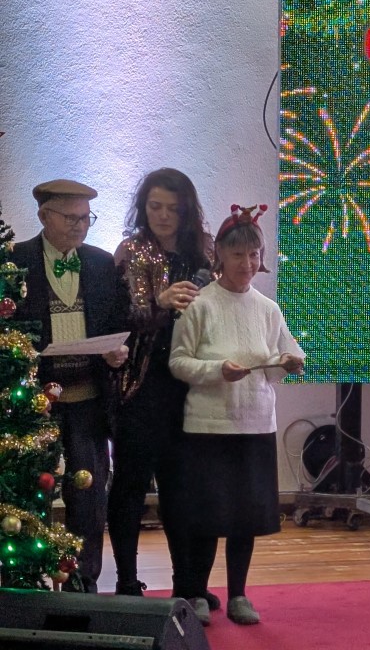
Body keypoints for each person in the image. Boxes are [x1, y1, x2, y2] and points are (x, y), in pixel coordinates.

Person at [169, 204, 304, 626]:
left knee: (245, 518)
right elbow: (178, 362)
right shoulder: (200, 304)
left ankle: (239, 595)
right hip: (208, 427)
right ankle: (196, 593)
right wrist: (217, 371)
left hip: (255, 425)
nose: (247, 264)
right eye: (238, 254)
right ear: (220, 257)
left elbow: (287, 354)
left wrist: (290, 363)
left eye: (254, 255)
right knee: (207, 517)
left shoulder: (268, 308)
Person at [11, 179, 130, 593]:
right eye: (71, 218)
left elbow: (117, 322)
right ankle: (30, 581)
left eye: (85, 218)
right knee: (33, 492)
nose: (80, 226)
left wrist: (116, 351)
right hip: (34, 403)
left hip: (88, 399)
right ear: (44, 216)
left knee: (89, 494)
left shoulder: (99, 263)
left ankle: (84, 583)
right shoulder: (16, 260)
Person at [108, 168, 216, 604]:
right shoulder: (130, 249)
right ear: (143, 207)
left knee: (182, 489)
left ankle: (187, 585)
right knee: (130, 485)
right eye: (155, 206)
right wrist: (159, 302)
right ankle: (127, 582)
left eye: (173, 208)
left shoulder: (204, 250)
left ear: (187, 210)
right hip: (142, 383)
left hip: (192, 384)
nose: (164, 216)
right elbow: (116, 319)